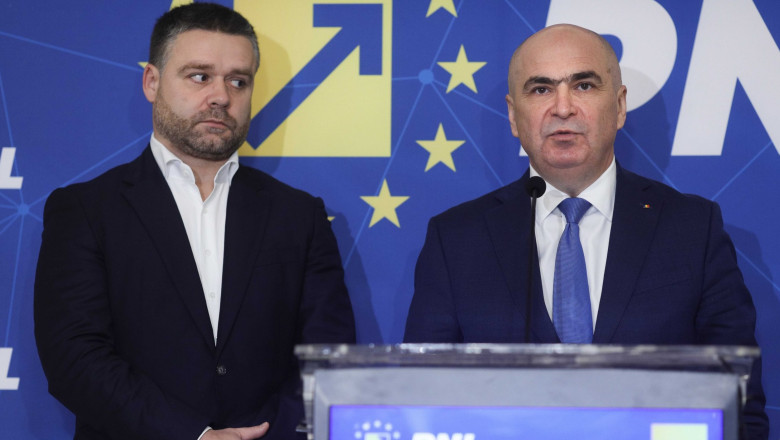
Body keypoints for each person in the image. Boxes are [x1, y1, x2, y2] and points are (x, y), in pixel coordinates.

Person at [404, 24, 768, 439]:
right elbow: (421, 400)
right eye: (541, 89)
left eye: (583, 85)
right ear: (513, 115)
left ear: (619, 106)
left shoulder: (692, 229)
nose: (562, 108)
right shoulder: (456, 240)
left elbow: (738, 407)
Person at [33, 3, 355, 440]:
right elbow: (74, 359)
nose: (221, 96)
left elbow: (330, 360)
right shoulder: (85, 210)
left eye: (238, 81)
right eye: (200, 76)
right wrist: (194, 436)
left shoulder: (300, 216)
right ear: (152, 82)